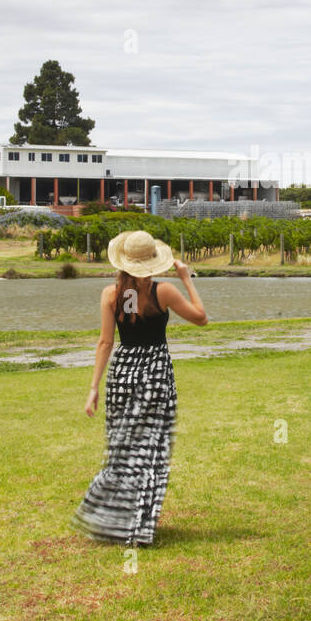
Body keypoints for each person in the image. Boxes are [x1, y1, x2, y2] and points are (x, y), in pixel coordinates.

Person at [73, 229, 207, 547]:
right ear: (153, 263)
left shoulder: (111, 294)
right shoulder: (165, 293)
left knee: (122, 451)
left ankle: (109, 518)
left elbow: (106, 342)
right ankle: (137, 525)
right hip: (155, 375)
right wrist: (187, 278)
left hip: (122, 375)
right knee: (150, 452)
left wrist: (94, 387)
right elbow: (201, 318)